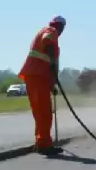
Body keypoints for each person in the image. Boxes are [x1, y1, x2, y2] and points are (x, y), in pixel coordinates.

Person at [18, 16, 66, 155]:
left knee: (40, 112)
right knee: (44, 113)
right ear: (60, 26)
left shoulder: (47, 33)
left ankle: (40, 142)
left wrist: (52, 85)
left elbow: (51, 61)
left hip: (36, 76)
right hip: (38, 75)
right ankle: (44, 145)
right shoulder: (50, 31)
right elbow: (48, 42)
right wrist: (51, 61)